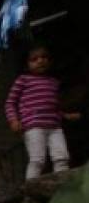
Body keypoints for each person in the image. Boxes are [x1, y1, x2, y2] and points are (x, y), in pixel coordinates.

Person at [5, 45, 81, 180]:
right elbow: (10, 102)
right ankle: (30, 191)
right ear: (27, 64)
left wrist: (66, 115)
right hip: (33, 126)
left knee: (61, 157)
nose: (40, 61)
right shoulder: (23, 80)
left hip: (55, 127)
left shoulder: (53, 83)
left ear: (50, 62)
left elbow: (53, 107)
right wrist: (13, 120)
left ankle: (61, 186)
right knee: (37, 159)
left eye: (44, 57)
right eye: (34, 59)